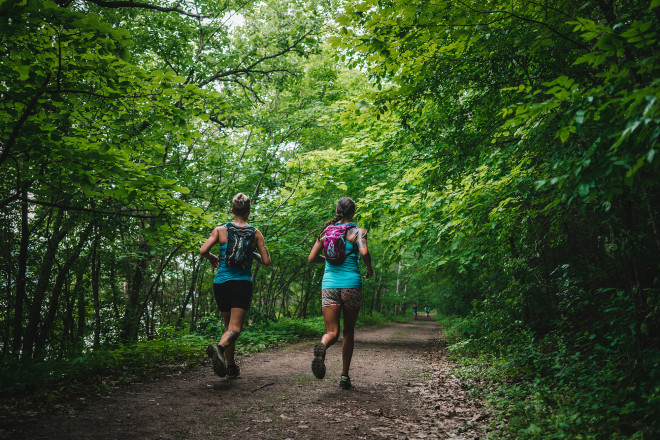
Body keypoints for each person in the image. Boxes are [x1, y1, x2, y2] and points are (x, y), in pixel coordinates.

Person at [200, 193, 271, 378]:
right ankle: (220, 349)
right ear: (248, 212)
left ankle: (230, 367)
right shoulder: (255, 233)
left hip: (221, 283)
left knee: (228, 326)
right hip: (241, 284)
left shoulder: (219, 230)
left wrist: (211, 258)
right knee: (235, 328)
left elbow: (203, 250)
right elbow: (266, 261)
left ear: (232, 210)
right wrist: (252, 252)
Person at [308, 197, 374, 390]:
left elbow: (312, 258)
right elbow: (363, 252)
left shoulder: (326, 232)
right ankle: (344, 377)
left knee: (332, 332)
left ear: (337, 211)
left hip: (329, 285)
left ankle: (323, 346)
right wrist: (369, 269)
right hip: (351, 285)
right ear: (353, 213)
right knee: (348, 332)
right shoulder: (357, 231)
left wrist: (329, 260)